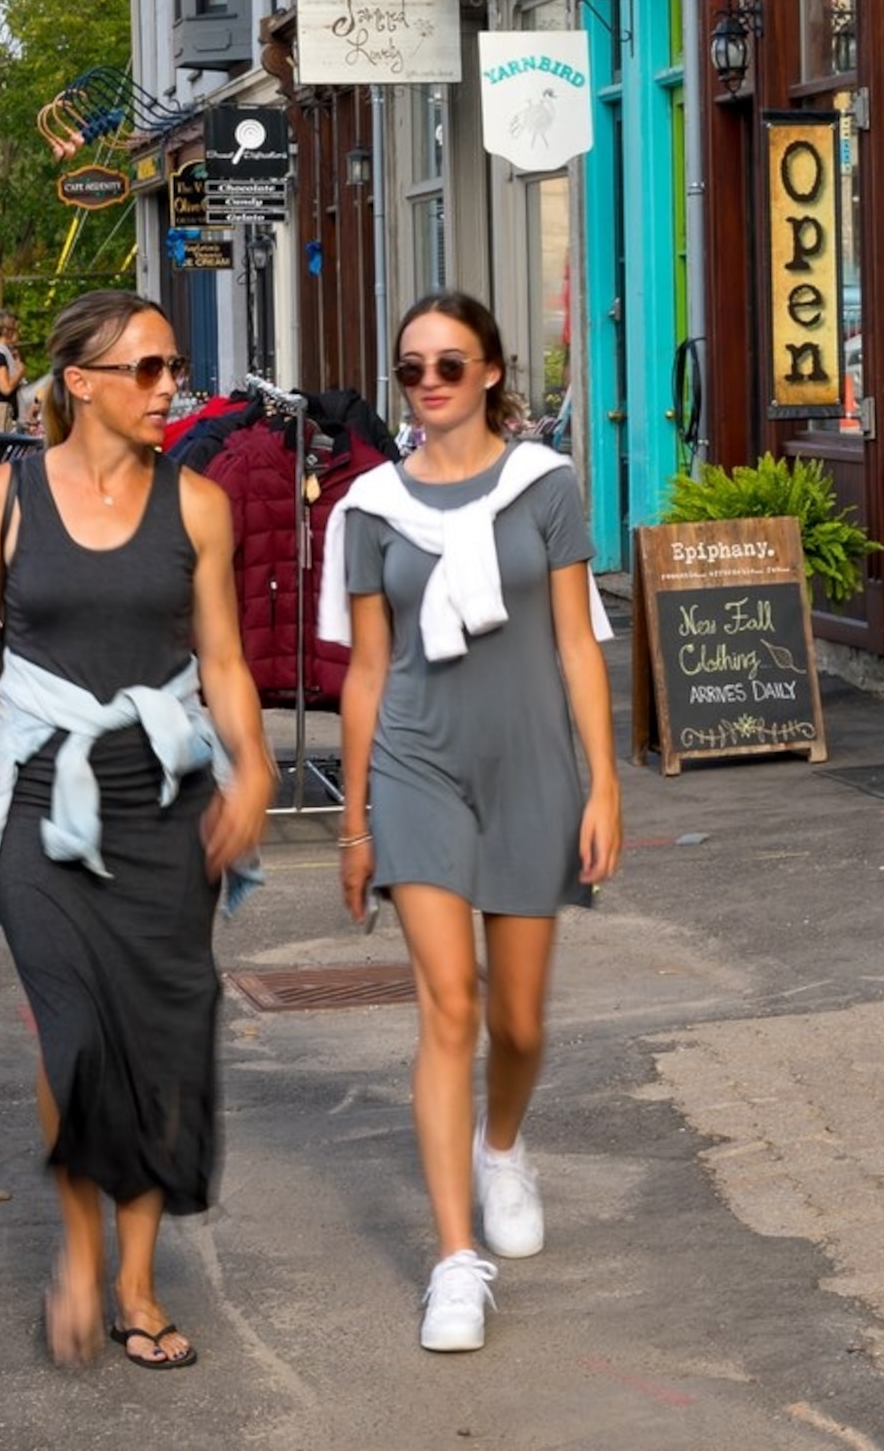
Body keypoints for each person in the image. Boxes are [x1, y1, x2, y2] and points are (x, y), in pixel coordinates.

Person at [0, 290, 277, 1371]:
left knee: (155, 1038)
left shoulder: (198, 504)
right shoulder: (2, 497)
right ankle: (77, 1246)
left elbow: (225, 662)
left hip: (162, 797)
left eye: (174, 368)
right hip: (36, 799)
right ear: (82, 382)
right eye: (149, 370)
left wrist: (248, 773)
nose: (172, 389)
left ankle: (138, 1282)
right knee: (73, 1033)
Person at [320, 290, 620, 1353]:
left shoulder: (547, 487)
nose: (431, 381)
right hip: (415, 763)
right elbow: (362, 670)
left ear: (492, 370)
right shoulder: (368, 507)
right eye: (412, 368)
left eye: (451, 363)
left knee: (520, 1022)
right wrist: (353, 822)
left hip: (534, 764)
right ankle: (456, 1260)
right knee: (450, 1004)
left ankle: (504, 1143)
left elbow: (580, 642)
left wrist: (605, 782)